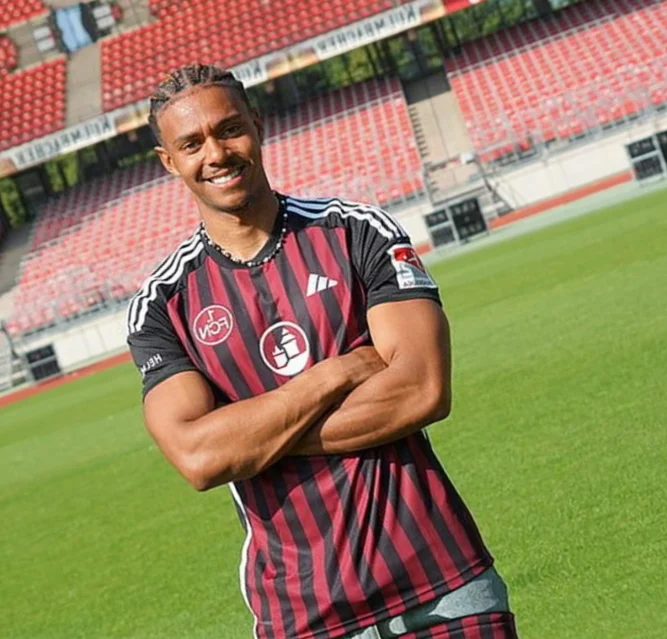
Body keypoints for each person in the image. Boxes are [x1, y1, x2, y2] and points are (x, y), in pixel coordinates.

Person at [126, 65, 517, 639]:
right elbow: (200, 457)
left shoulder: (358, 233)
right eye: (192, 143)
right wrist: (337, 374)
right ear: (170, 162)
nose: (216, 153)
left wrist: (255, 439)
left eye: (229, 129)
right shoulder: (164, 303)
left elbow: (423, 389)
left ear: (257, 127)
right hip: (302, 618)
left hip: (444, 588)